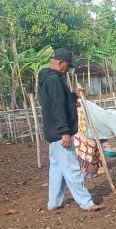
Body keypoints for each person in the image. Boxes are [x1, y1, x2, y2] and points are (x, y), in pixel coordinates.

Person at [38, 48, 101, 211]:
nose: (68, 69)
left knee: (57, 170)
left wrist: (73, 95)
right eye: (67, 65)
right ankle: (86, 202)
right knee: (72, 168)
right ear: (60, 63)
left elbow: (61, 101)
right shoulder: (54, 81)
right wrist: (64, 131)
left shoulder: (49, 79)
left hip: (53, 133)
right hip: (60, 133)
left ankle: (54, 202)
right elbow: (57, 108)